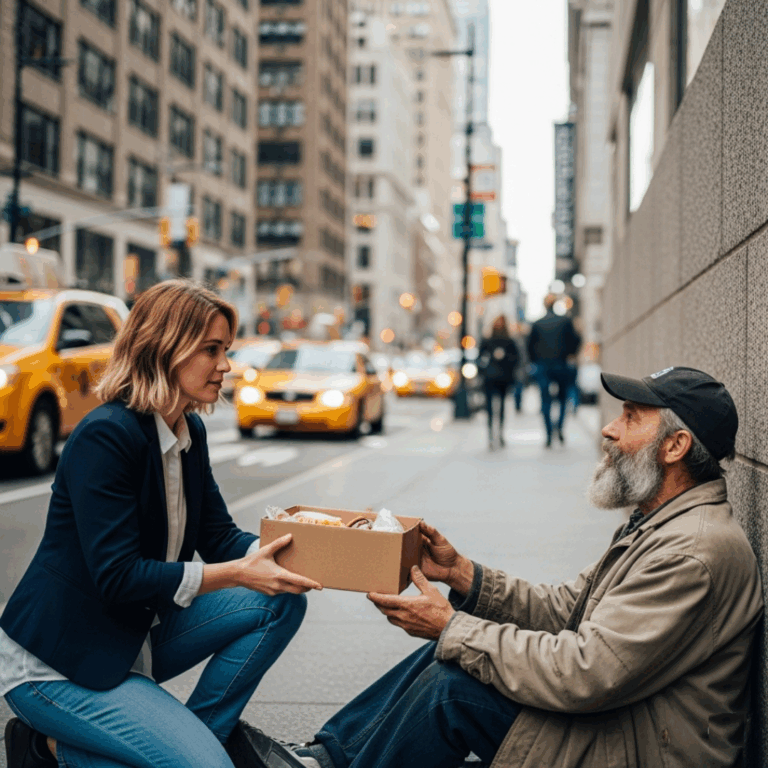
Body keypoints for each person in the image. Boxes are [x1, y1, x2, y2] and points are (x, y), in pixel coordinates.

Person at [246, 366, 763, 768]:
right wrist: (463, 574)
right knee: (453, 652)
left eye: (630, 416)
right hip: (622, 719)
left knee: (455, 683)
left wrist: (451, 627)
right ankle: (326, 757)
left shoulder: (691, 553)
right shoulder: (658, 523)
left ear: (675, 446)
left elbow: (586, 672)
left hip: (641, 748)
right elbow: (567, 609)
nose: (609, 429)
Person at [2, 280, 322, 768]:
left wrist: (317, 553)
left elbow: (218, 538)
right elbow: (118, 576)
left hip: (132, 634)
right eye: (210, 350)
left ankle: (192, 743)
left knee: (280, 602)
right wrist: (239, 572)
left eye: (226, 350)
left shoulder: (187, 428)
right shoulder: (105, 436)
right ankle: (47, 751)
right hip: (58, 664)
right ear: (165, 349)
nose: (225, 365)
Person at [526, 294, 581, 447]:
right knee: (563, 399)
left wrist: (534, 361)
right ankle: (559, 428)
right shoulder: (565, 321)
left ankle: (549, 434)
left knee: (545, 401)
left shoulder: (537, 323)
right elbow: (576, 340)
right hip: (561, 364)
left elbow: (529, 346)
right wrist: (570, 354)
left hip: (543, 366)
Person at [477, 315, 520, 449]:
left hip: (503, 378)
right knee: (489, 408)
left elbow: (516, 359)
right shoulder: (487, 341)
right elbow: (479, 358)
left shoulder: (509, 341)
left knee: (501, 407)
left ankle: (500, 433)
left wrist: (504, 358)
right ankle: (491, 434)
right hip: (490, 378)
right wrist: (484, 370)